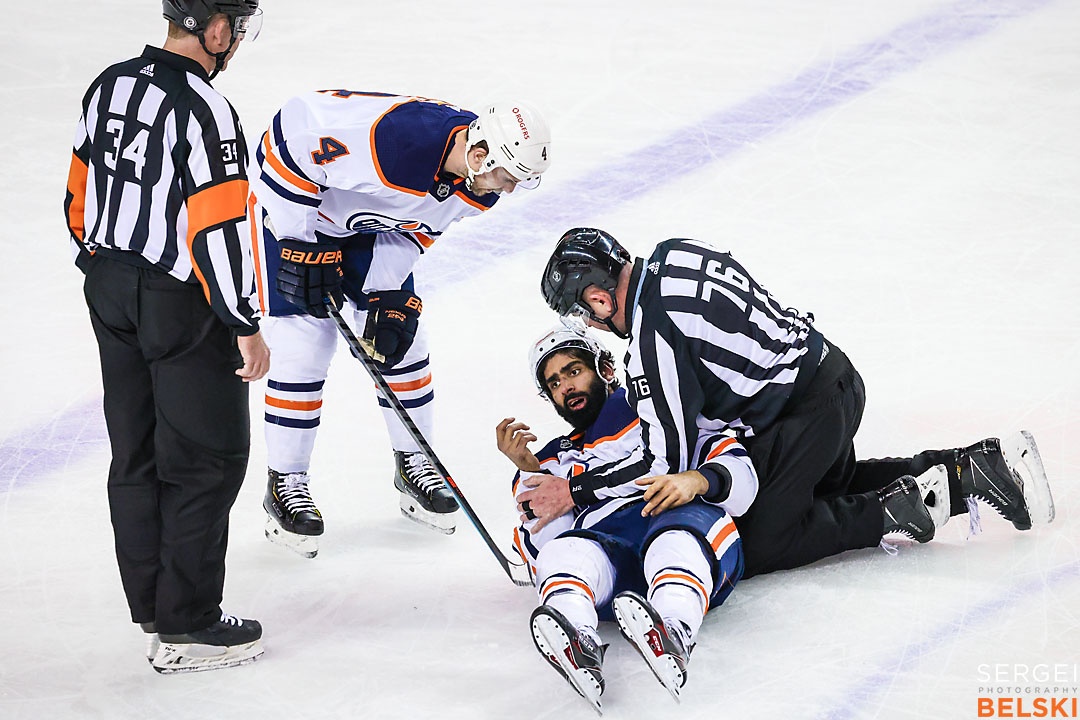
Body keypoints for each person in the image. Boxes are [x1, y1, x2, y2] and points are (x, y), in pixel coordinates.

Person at [535, 229, 1055, 579]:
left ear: (600, 298)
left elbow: (665, 464)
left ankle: (895, 511)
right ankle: (980, 470)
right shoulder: (673, 252)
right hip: (831, 376)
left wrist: (574, 489)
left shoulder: (653, 339)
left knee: (756, 539)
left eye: (584, 314)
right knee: (826, 488)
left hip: (806, 413)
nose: (593, 325)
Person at [248, 92, 551, 557]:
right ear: (479, 154)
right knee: (305, 345)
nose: (508, 190)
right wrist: (296, 240)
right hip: (292, 213)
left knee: (402, 343)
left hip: (367, 227)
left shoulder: (478, 184)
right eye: (508, 177)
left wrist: (386, 294)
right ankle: (285, 481)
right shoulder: (394, 143)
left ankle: (414, 460)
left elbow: (418, 230)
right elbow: (287, 146)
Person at [63, 1, 269, 673]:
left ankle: (152, 607)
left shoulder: (110, 83)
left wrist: (102, 266)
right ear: (215, 30)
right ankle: (188, 623)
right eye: (235, 27)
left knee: (137, 452)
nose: (234, 40)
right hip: (177, 304)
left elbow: (77, 192)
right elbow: (218, 229)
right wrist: (243, 324)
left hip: (110, 286)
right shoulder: (206, 108)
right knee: (207, 459)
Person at [496, 326, 745, 709]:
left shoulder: (652, 406)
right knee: (564, 555)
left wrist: (696, 479)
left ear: (606, 369)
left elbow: (738, 469)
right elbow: (543, 549)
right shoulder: (553, 458)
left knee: (673, 539)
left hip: (682, 523)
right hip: (614, 561)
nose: (566, 387)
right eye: (555, 383)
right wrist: (532, 474)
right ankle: (577, 638)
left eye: (574, 370)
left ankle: (674, 628)